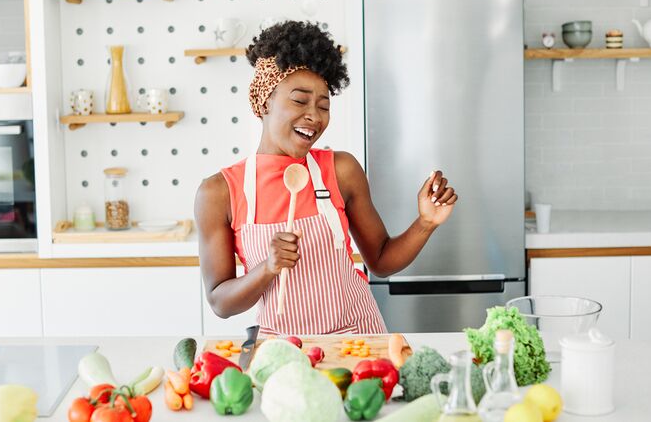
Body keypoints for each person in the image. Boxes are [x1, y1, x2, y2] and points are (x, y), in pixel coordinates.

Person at [195, 21, 458, 335]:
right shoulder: (219, 192)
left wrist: (426, 222)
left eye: (324, 105)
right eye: (299, 100)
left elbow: (382, 261)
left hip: (357, 338)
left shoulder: (341, 170)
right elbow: (220, 303)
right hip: (282, 348)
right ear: (265, 101)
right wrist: (268, 268)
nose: (314, 116)